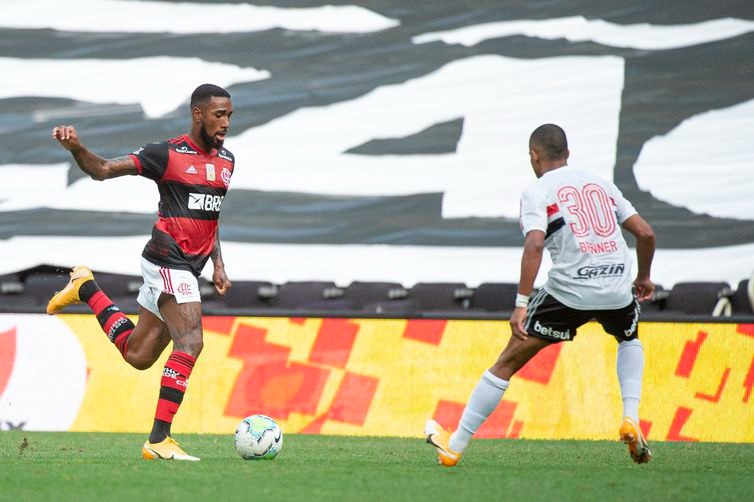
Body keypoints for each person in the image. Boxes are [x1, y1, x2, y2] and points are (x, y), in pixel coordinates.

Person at [425, 124, 656, 466]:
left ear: (534, 156)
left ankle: (455, 445)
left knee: (506, 363)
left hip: (569, 292)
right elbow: (646, 233)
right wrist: (645, 277)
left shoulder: (538, 191)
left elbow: (535, 242)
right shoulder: (601, 184)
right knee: (628, 337)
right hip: (617, 287)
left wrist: (521, 303)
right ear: (568, 153)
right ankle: (631, 417)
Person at [47, 83, 235, 461]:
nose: (226, 123)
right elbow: (102, 170)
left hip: (190, 267)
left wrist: (218, 263)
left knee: (138, 355)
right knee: (191, 342)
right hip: (168, 259)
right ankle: (159, 439)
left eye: (230, 115)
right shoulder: (164, 154)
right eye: (219, 114)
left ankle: (86, 289)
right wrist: (76, 149)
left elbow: (209, 215)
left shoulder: (227, 160)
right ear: (198, 114)